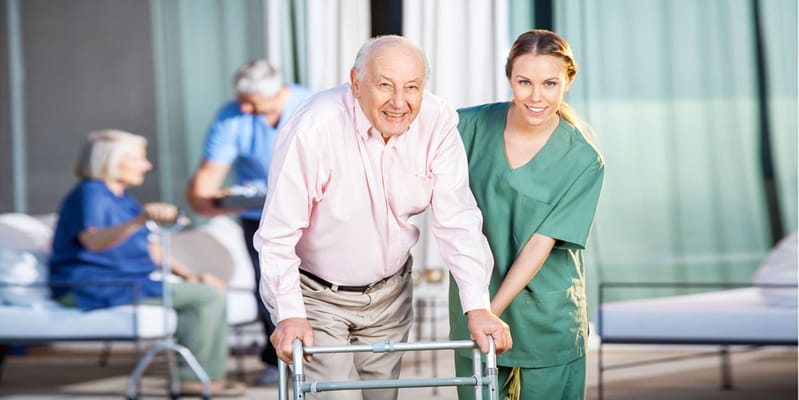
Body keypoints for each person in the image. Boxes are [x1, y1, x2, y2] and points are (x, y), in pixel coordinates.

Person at [254, 35, 512, 400]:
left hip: (391, 294)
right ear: (356, 83)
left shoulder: (437, 123)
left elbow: (458, 221)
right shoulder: (313, 128)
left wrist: (478, 307)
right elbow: (277, 234)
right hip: (318, 296)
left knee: (382, 396)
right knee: (337, 395)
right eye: (385, 85)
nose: (399, 102)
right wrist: (289, 313)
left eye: (412, 88)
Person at [449, 29, 605, 400]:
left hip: (546, 318)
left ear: (568, 81)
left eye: (550, 83)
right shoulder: (466, 127)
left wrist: (487, 312)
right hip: (476, 306)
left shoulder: (583, 160)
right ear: (509, 80)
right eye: (524, 82)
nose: (536, 96)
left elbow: (540, 243)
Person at [49, 129, 245, 397]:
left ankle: (197, 374)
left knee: (206, 291)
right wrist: (138, 221)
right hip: (92, 287)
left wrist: (191, 276)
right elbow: (94, 241)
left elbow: (152, 249)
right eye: (140, 158)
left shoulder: (121, 198)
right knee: (206, 297)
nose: (148, 165)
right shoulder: (91, 194)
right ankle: (195, 379)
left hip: (127, 284)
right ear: (113, 160)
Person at [185, 59, 313, 385]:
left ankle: (319, 355)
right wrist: (220, 199)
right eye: (240, 99)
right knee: (269, 288)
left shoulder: (309, 106)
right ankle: (278, 361)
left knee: (315, 283)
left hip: (312, 214)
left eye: (251, 101)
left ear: (279, 93)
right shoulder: (232, 117)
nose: (243, 107)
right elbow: (204, 187)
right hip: (260, 217)